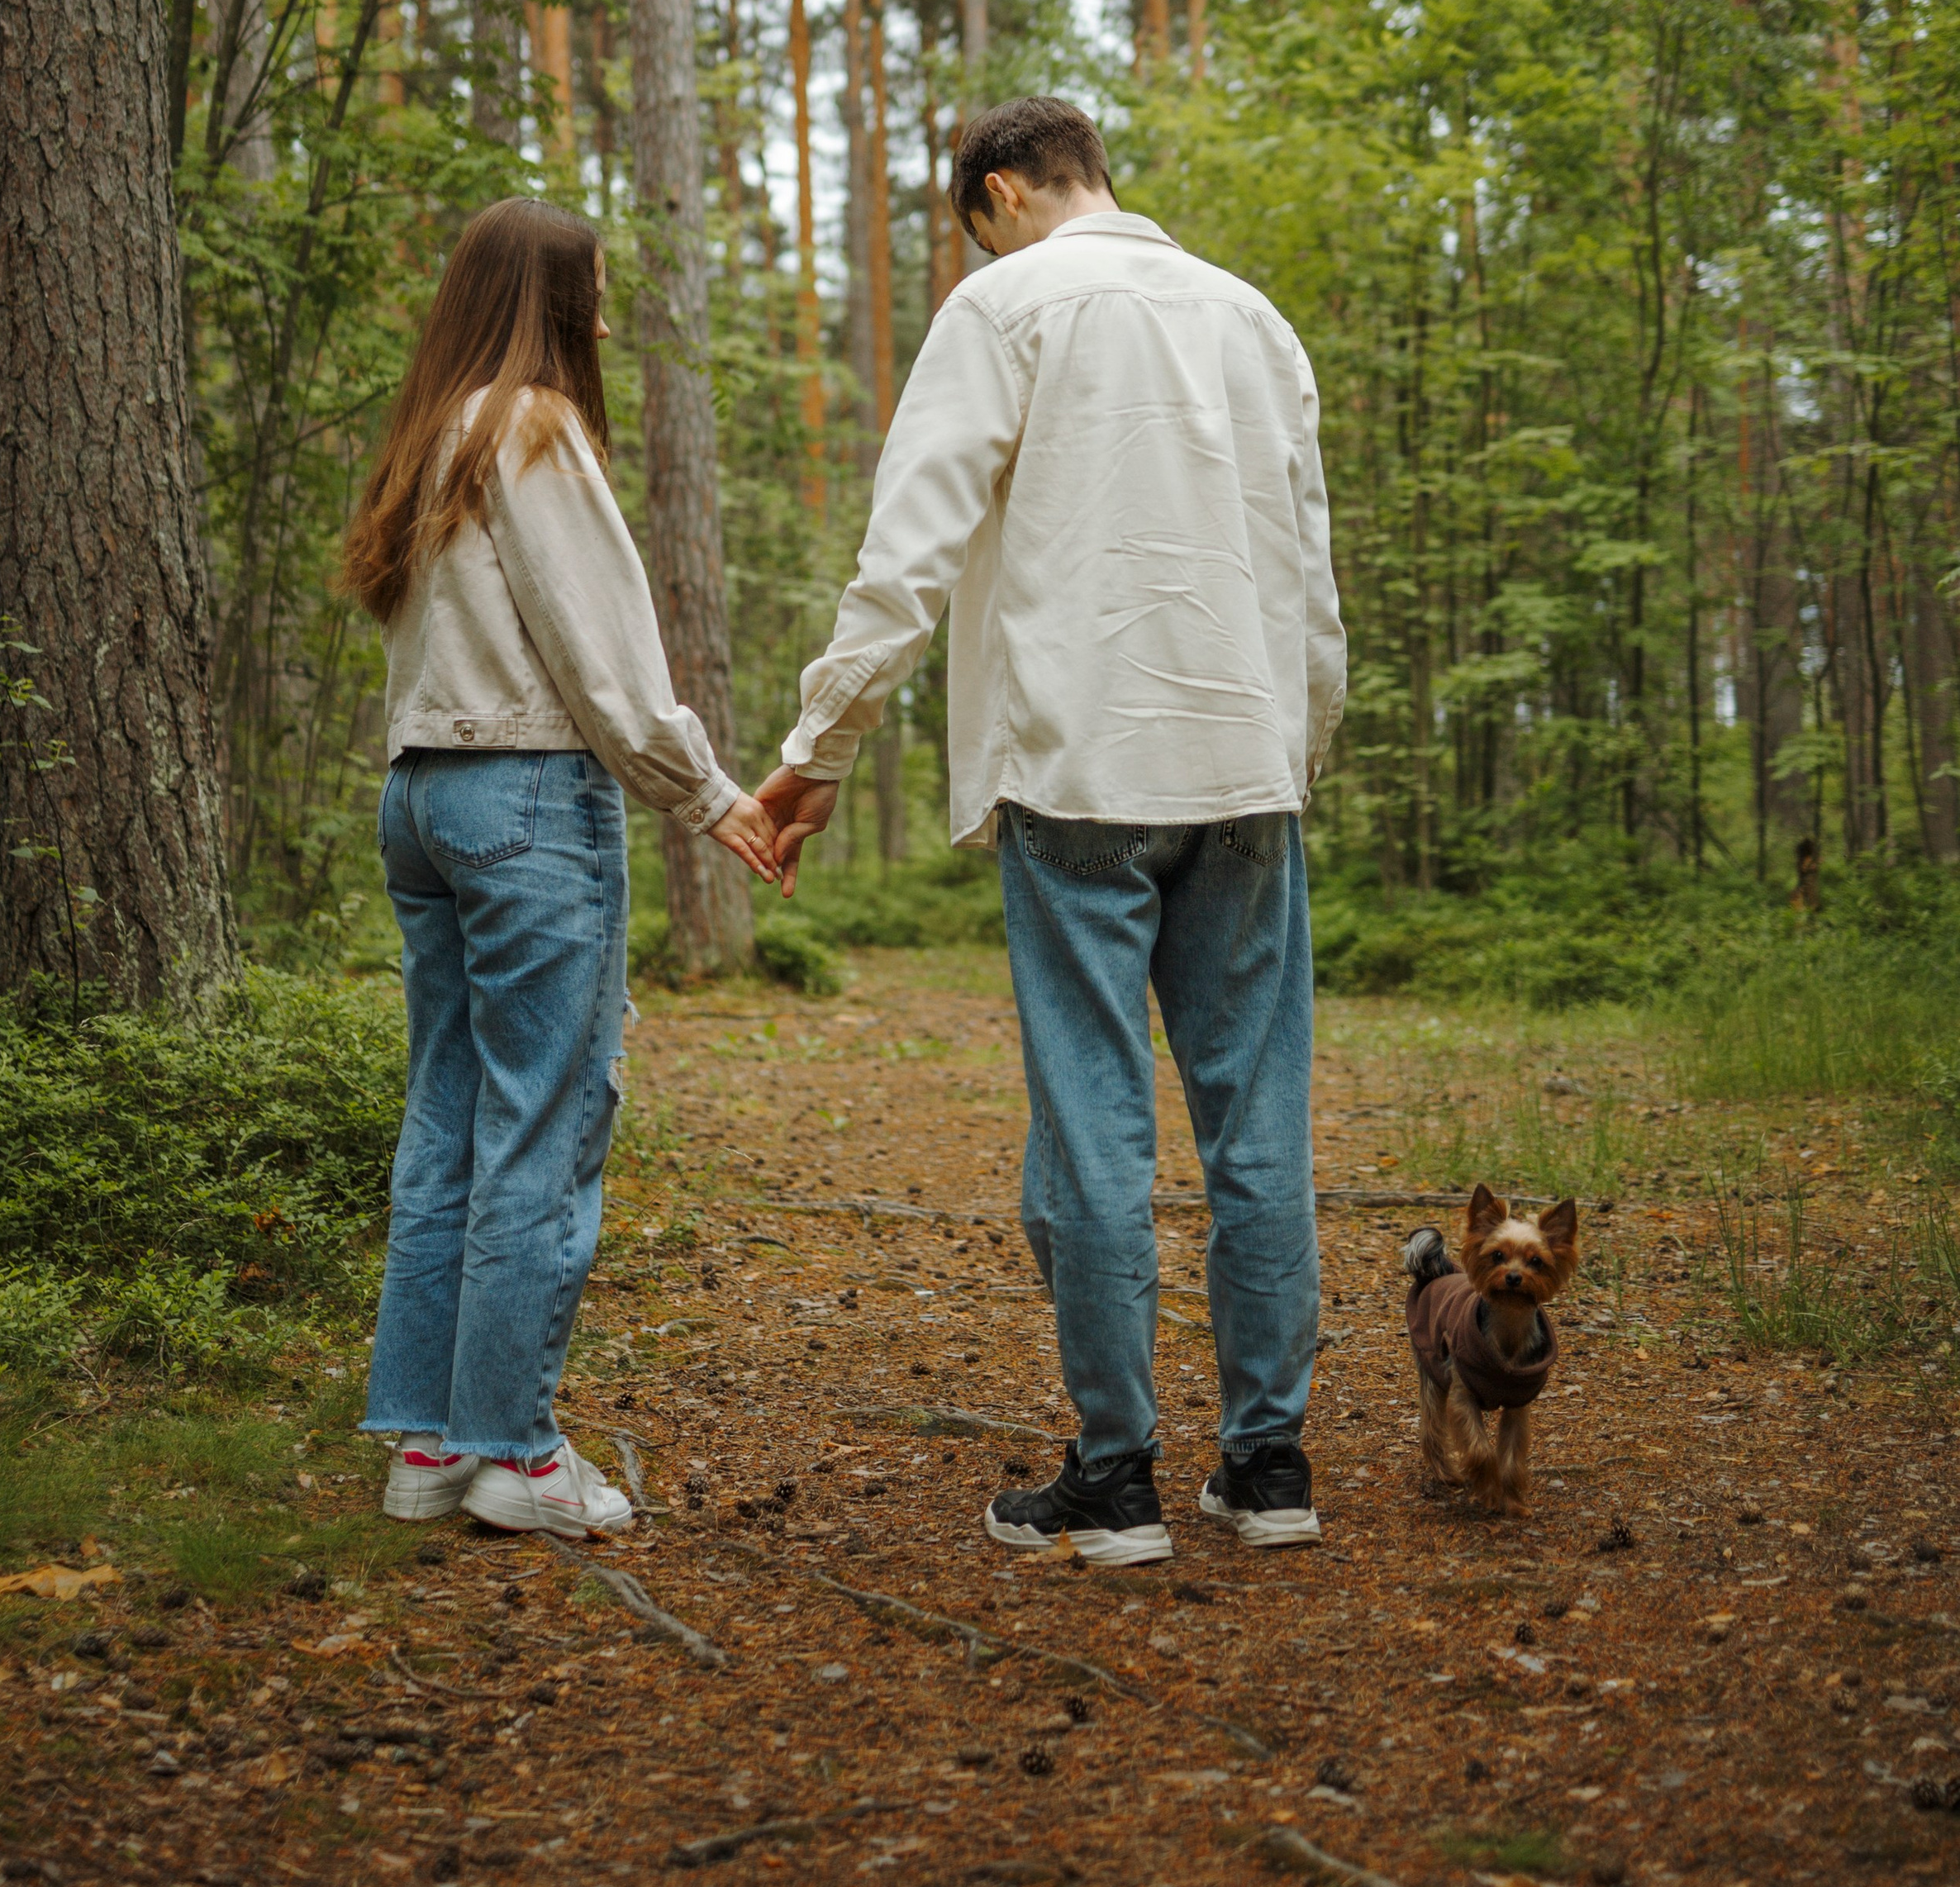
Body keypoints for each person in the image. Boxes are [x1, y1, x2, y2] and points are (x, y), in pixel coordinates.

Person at [759, 99, 1345, 1569]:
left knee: (1093, 1128)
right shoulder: (1251, 319)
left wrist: (819, 748)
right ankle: (1268, 1467)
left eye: (978, 224)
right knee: (1258, 1125)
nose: (982, 247)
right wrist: (1298, 750)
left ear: (1004, 192)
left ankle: (1117, 1477)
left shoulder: (1003, 307)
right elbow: (1307, 574)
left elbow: (909, 552)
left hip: (1080, 770)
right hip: (1243, 765)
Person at [342, 198, 776, 1537]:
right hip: (526, 796)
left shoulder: (431, 433)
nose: (602, 314)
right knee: (543, 1120)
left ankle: (429, 1445)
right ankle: (518, 1459)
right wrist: (707, 792)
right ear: (543, 297)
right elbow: (600, 650)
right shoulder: (530, 426)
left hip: (422, 794)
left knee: (451, 1116)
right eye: (589, 289)